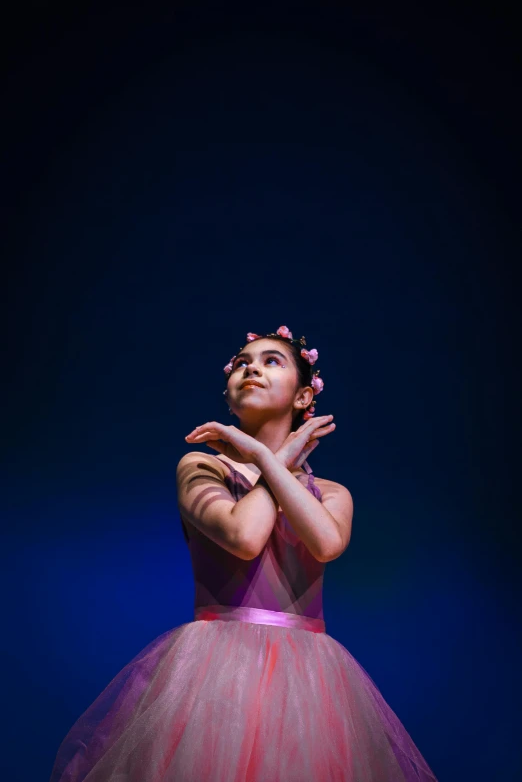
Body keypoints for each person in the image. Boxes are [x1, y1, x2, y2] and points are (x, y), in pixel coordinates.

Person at [49, 325, 438, 781]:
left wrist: (266, 456)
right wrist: (279, 461)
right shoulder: (201, 466)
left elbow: (327, 544)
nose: (249, 366)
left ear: (302, 399)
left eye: (271, 360)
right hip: (214, 674)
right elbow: (245, 535)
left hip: (309, 683)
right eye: (240, 363)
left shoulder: (332, 493)